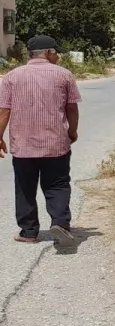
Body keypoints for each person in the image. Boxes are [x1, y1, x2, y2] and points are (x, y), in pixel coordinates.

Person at [0, 35, 81, 247]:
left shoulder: (11, 77)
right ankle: (60, 224)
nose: (58, 56)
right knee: (58, 184)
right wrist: (72, 132)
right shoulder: (65, 75)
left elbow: (4, 111)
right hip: (55, 143)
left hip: (23, 145)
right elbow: (71, 108)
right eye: (56, 52)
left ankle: (28, 232)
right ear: (48, 53)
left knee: (25, 187)